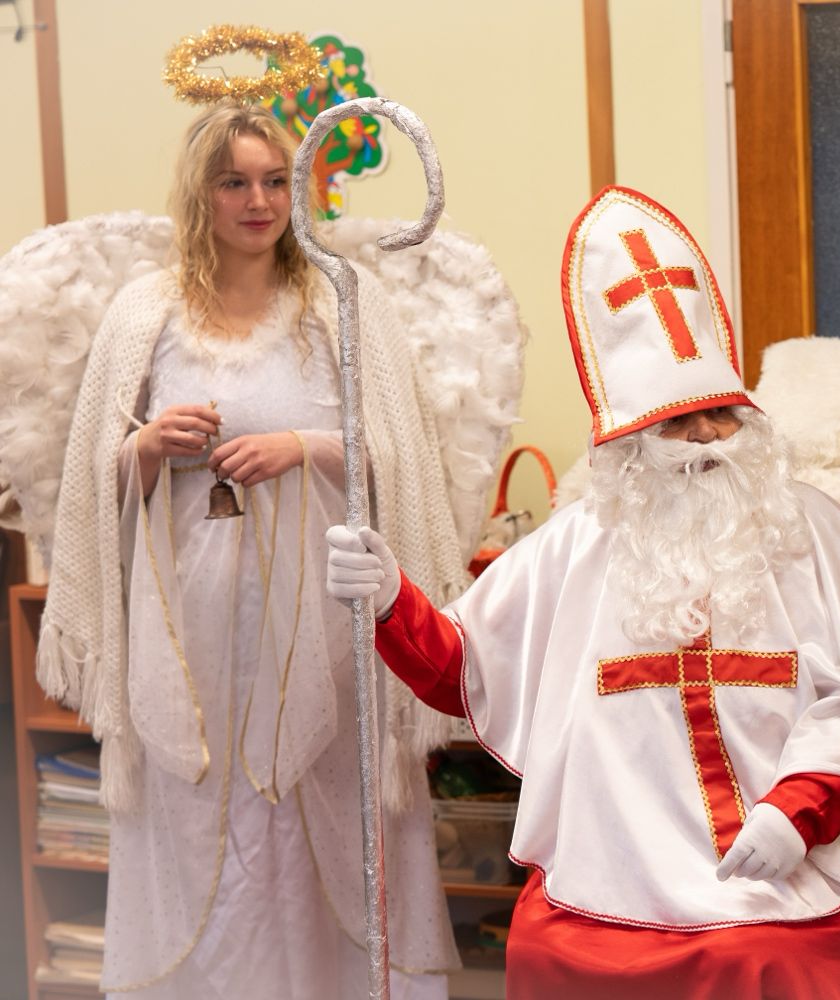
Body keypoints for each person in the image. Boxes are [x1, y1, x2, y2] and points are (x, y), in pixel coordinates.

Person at [327, 185, 840, 999]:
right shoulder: (578, 542)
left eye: (720, 415)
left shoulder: (807, 527)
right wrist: (390, 600)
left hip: (798, 845)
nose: (704, 439)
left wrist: (794, 808)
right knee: (548, 948)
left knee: (757, 961)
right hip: (621, 860)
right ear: (627, 445)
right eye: (675, 422)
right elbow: (462, 667)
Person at [37, 102, 469, 998]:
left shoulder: (343, 301)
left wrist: (301, 447)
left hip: (325, 620)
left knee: (325, 800)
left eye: (276, 180)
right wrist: (146, 445)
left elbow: (402, 458)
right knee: (207, 809)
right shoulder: (145, 312)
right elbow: (90, 482)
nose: (259, 201)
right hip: (193, 626)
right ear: (201, 192)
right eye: (234, 182)